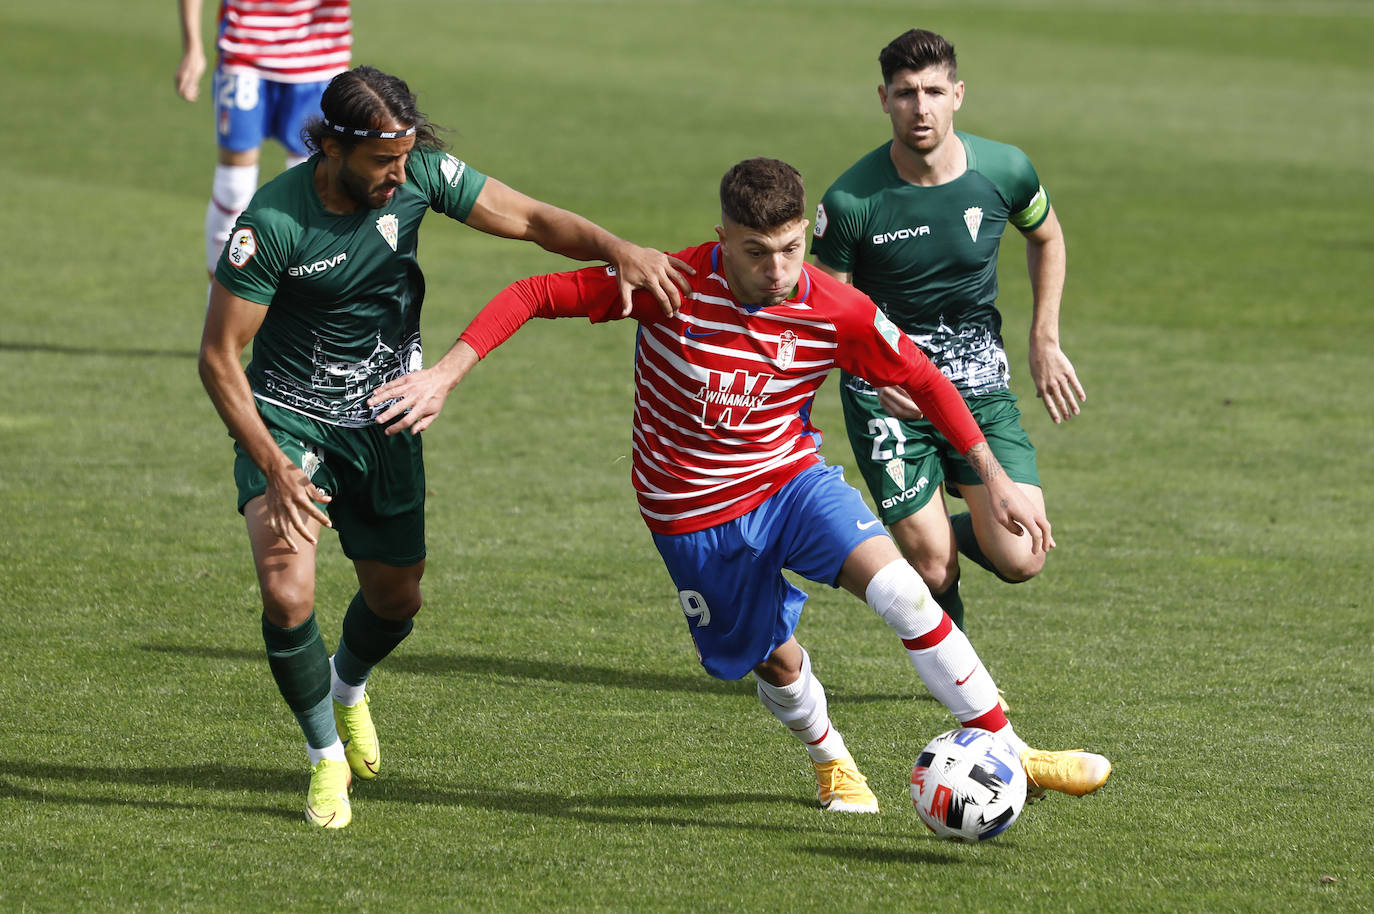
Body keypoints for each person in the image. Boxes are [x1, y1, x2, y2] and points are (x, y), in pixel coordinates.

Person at [370, 157, 1110, 813]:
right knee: (778, 662)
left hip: (790, 483)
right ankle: (829, 757)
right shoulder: (669, 285)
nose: (779, 269)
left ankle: (1011, 749)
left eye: (792, 249)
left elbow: (922, 376)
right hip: (691, 518)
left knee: (904, 591)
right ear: (721, 238)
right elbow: (533, 293)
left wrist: (993, 477)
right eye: (757, 253)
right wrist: (445, 373)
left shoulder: (833, 305)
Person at [197, 65, 692, 829]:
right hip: (290, 423)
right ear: (330, 146)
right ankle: (324, 758)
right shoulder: (274, 223)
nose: (398, 175)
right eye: (381, 163)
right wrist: (272, 464)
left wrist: (614, 245)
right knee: (287, 589)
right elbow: (220, 357)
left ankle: (347, 688)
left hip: (386, 416)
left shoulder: (417, 174)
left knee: (398, 600)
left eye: (404, 158)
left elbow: (527, 219)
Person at [810, 29, 1086, 634]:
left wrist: (1044, 338)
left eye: (933, 90)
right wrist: (869, 371)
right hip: (889, 399)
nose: (921, 106)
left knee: (1024, 555)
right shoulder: (852, 200)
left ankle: (927, 537)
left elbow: (1048, 236)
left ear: (958, 94)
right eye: (906, 93)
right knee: (933, 571)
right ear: (883, 99)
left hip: (977, 386)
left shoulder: (1005, 170)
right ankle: (961, 672)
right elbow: (824, 309)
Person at [176, 0, 354, 274]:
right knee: (233, 187)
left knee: (313, 191)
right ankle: (220, 300)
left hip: (319, 57)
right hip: (245, 50)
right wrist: (193, 45)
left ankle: (297, 304)